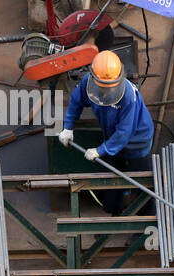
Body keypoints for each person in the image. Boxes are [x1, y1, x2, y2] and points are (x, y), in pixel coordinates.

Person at [57, 50, 156, 215]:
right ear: (94, 78)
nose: (107, 93)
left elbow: (124, 132)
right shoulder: (88, 83)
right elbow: (76, 101)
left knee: (141, 186)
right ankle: (114, 216)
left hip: (137, 142)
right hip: (111, 140)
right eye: (103, 88)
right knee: (110, 184)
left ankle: (144, 226)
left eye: (110, 89)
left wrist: (101, 150)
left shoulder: (128, 96)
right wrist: (68, 127)